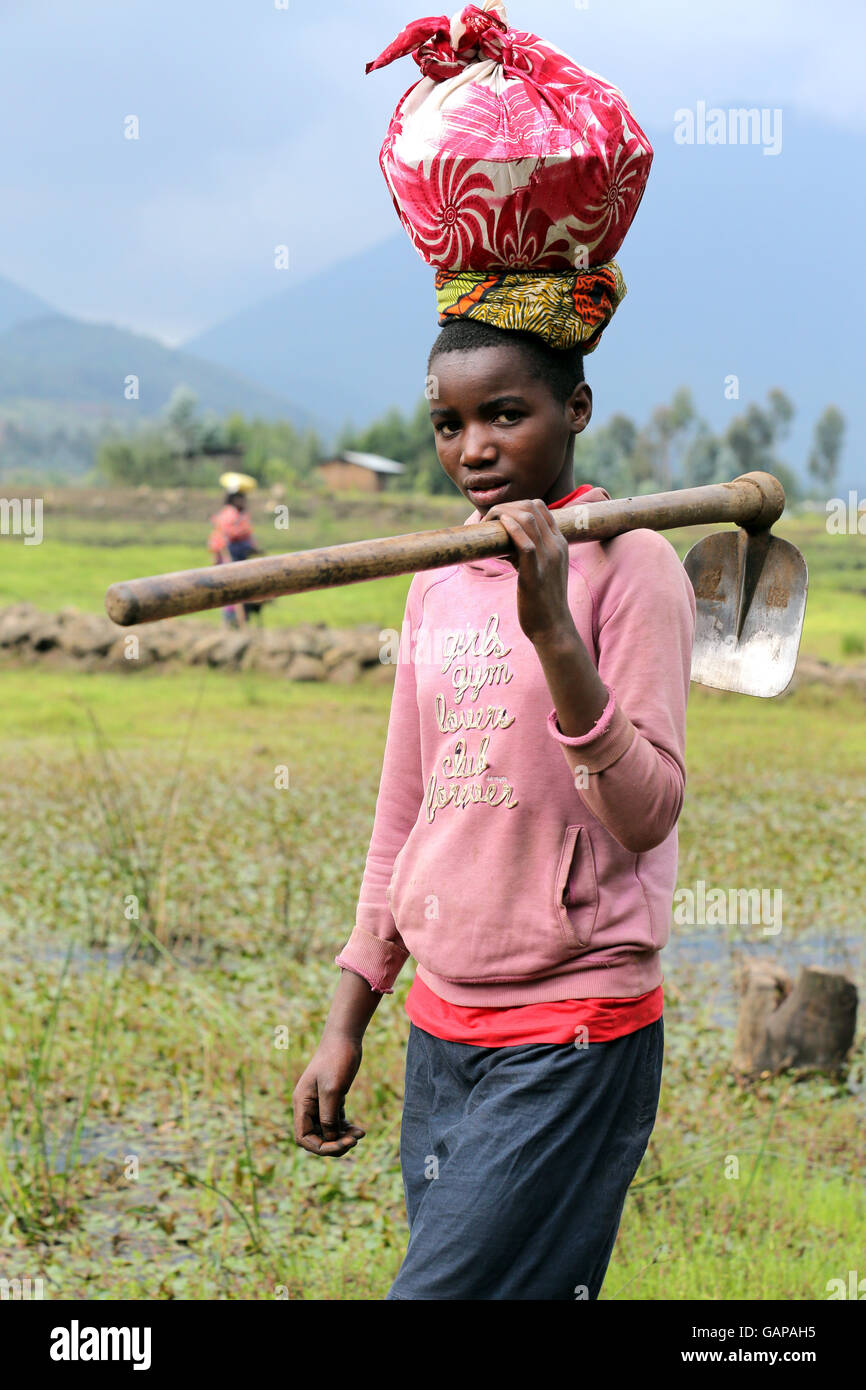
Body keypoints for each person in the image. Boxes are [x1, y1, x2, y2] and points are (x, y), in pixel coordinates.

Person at [292, 4, 695, 1301]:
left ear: (574, 410)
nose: (473, 450)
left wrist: (554, 629)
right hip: (442, 1024)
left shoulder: (632, 569)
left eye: (506, 414)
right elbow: (405, 806)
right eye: (450, 423)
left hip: (572, 1030)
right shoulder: (430, 580)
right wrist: (352, 1007)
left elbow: (642, 814)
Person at [207, 476, 265, 627]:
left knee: (244, 589)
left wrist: (254, 548)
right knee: (231, 590)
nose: (243, 501)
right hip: (230, 556)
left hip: (241, 556)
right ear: (233, 498)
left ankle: (242, 621)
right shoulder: (228, 514)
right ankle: (232, 621)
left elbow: (249, 535)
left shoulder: (242, 515)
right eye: (240, 497)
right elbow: (221, 538)